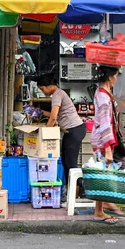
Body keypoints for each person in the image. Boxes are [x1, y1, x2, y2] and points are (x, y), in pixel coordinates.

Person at [36, 75, 86, 206]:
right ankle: (71, 195)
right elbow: (55, 114)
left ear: (48, 86)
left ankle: (83, 190)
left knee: (70, 165)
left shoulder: (57, 95)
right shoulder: (59, 94)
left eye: (42, 89)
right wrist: (39, 112)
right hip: (73, 131)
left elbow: (53, 118)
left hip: (74, 130)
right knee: (65, 163)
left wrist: (44, 133)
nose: (43, 92)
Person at [91, 65, 125, 225]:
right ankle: (99, 211)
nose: (117, 78)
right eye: (116, 75)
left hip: (102, 139)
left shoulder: (102, 93)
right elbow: (105, 123)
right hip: (103, 141)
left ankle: (105, 204)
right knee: (104, 174)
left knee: (104, 173)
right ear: (111, 76)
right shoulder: (104, 98)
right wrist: (108, 150)